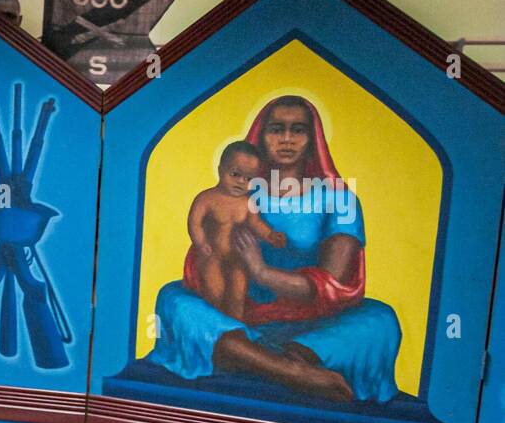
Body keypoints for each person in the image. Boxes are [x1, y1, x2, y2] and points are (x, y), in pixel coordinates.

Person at [148, 94, 400, 404]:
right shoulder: (240, 186)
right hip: (236, 310)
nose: (287, 139)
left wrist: (262, 272)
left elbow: (331, 285)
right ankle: (292, 372)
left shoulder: (340, 199)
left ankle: (272, 357)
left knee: (381, 320)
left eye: (298, 129)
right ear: (260, 135)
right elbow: (208, 251)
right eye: (276, 129)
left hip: (314, 322)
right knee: (174, 299)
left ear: (313, 139)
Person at [184, 140, 286, 320]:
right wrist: (200, 242)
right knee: (215, 293)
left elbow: (256, 224)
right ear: (220, 170)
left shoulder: (248, 203)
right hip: (211, 255)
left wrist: (270, 235)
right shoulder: (206, 198)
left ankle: (236, 328)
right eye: (235, 174)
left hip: (237, 258)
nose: (241, 182)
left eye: (248, 179)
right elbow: (194, 222)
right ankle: (217, 328)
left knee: (238, 295)